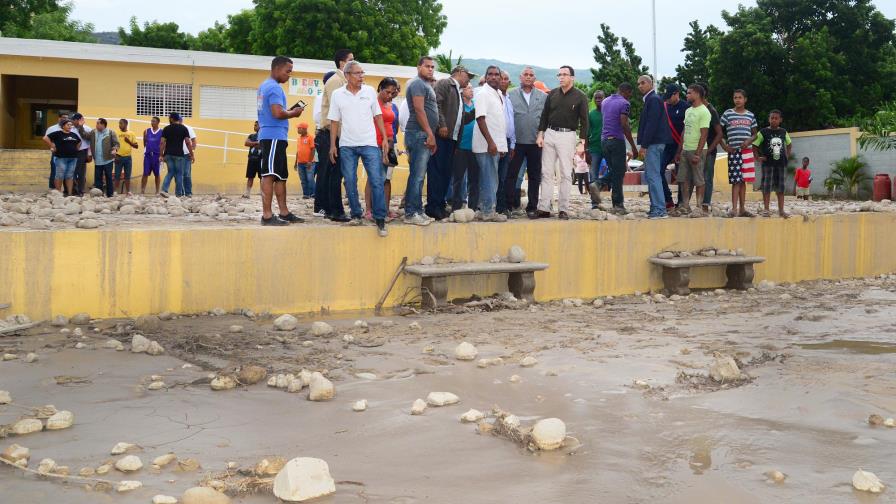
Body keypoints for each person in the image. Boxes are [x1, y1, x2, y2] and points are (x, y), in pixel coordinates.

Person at [327, 61, 390, 237]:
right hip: (347, 144)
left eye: (362, 73)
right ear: (347, 75)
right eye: (357, 73)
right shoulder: (337, 95)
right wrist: (332, 145)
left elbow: (378, 116)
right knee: (349, 180)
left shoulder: (369, 91)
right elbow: (334, 121)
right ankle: (356, 214)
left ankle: (380, 218)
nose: (361, 76)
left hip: (369, 143)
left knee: (377, 180)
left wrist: (384, 138)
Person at [534, 66, 589, 219]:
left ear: (572, 77)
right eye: (560, 74)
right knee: (546, 172)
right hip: (550, 134)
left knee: (565, 173)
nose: (561, 77)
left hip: (568, 135)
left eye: (565, 74)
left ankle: (563, 209)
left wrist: (582, 142)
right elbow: (544, 116)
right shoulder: (552, 94)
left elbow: (585, 121)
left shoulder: (580, 96)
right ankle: (544, 207)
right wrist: (540, 135)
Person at [256, 56, 305, 225]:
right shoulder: (274, 88)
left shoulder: (264, 86)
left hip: (275, 136)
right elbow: (277, 113)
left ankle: (284, 212)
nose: (289, 75)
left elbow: (275, 111)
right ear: (277, 69)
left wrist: (287, 111)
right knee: (269, 175)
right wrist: (294, 113)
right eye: (287, 71)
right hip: (272, 137)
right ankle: (267, 216)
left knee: (280, 176)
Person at [429, 65, 473, 220]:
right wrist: (442, 125)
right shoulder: (445, 83)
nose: (469, 80)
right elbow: (436, 105)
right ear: (460, 73)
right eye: (468, 75)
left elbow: (460, 118)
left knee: (445, 174)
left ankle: (439, 205)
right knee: (437, 173)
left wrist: (474, 113)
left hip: (452, 139)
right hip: (442, 136)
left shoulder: (458, 92)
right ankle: (433, 207)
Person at [315, 49, 353, 222]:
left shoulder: (344, 82)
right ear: (342, 63)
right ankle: (331, 209)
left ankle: (331, 208)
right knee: (331, 173)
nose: (354, 63)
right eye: (351, 60)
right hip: (331, 135)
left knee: (334, 173)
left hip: (338, 134)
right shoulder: (336, 81)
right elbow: (335, 112)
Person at [403, 56, 439, 226]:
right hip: (418, 133)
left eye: (432, 67)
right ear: (418, 67)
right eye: (427, 66)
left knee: (419, 175)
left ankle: (417, 210)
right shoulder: (417, 84)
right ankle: (410, 213)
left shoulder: (426, 85)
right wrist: (429, 134)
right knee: (417, 176)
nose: (430, 69)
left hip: (423, 134)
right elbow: (418, 109)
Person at [507, 66, 547, 218]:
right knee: (512, 174)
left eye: (531, 75)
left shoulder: (543, 97)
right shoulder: (511, 95)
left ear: (534, 78)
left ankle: (532, 207)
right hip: (516, 142)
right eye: (526, 74)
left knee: (535, 176)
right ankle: (509, 205)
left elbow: (545, 118)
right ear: (520, 77)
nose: (528, 77)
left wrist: (542, 136)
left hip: (535, 142)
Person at [593, 82, 637, 214]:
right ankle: (599, 184)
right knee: (620, 170)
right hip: (616, 140)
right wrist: (633, 146)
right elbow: (624, 124)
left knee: (616, 172)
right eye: (630, 93)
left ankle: (617, 204)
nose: (630, 96)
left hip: (604, 141)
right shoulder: (625, 103)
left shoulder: (605, 101)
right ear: (626, 91)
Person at [472, 66, 509, 222]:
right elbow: (480, 118)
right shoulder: (483, 94)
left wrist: (501, 146)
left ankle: (483, 209)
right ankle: (488, 211)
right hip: (485, 144)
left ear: (500, 78)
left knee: (490, 177)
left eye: (496, 75)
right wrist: (491, 143)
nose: (494, 77)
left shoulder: (498, 94)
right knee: (490, 178)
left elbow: (497, 122)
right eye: (490, 75)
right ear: (486, 77)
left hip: (495, 145)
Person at [636, 75, 672, 219]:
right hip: (654, 142)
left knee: (653, 175)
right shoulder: (651, 100)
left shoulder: (654, 100)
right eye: (638, 84)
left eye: (643, 83)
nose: (640, 86)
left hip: (654, 143)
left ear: (650, 84)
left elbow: (652, 124)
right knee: (652, 175)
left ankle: (659, 209)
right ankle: (655, 207)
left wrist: (644, 145)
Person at [673, 84, 711, 217]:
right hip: (685, 149)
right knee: (683, 179)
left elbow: (704, 134)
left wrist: (698, 154)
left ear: (697, 94)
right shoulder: (688, 111)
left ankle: (699, 206)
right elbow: (684, 130)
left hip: (697, 150)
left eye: (689, 93)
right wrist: (679, 150)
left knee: (699, 179)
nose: (687, 95)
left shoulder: (704, 111)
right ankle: (685, 205)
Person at [720, 89, 758, 217]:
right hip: (734, 151)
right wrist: (724, 146)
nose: (737, 100)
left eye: (740, 97)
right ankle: (734, 209)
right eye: (735, 97)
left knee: (744, 181)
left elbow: (755, 134)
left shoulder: (750, 115)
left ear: (745, 99)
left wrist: (748, 141)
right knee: (736, 180)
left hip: (747, 151)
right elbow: (718, 132)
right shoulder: (727, 114)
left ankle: (742, 208)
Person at [364, 78, 399, 220]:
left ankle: (383, 208)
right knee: (373, 177)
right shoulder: (373, 103)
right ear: (380, 88)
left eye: (393, 92)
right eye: (387, 92)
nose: (390, 95)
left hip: (389, 144)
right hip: (375, 143)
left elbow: (393, 124)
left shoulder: (390, 104)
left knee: (385, 178)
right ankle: (368, 209)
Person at [752, 109, 792, 218]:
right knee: (766, 186)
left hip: (781, 164)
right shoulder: (763, 132)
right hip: (768, 164)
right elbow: (754, 145)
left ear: (780, 120)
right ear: (769, 119)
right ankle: (766, 209)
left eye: (776, 118)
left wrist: (787, 155)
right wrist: (757, 157)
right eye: (772, 118)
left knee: (781, 187)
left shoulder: (783, 132)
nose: (773, 120)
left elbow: (789, 144)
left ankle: (781, 210)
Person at [451, 83, 479, 211]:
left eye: (472, 88)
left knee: (474, 179)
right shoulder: (459, 105)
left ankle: (473, 207)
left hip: (475, 147)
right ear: (462, 91)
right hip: (461, 147)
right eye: (468, 88)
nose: (471, 90)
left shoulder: (476, 104)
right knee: (458, 179)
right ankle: (456, 206)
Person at [696, 82, 723, 210]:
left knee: (707, 178)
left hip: (708, 152)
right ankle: (696, 204)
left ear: (702, 93)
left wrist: (709, 150)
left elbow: (719, 134)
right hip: (695, 150)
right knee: (696, 178)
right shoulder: (693, 109)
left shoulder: (711, 110)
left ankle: (705, 205)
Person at [661, 84, 689, 208]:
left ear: (676, 94)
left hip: (681, 145)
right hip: (667, 146)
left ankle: (681, 202)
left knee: (681, 175)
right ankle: (668, 199)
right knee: (659, 170)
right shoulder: (665, 107)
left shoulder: (686, 107)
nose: (667, 100)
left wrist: (681, 148)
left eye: (669, 96)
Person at [495, 70, 517, 217]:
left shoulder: (508, 99)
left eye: (506, 79)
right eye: (501, 78)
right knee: (494, 176)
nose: (504, 81)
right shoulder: (494, 97)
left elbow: (511, 123)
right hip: (496, 141)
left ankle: (502, 206)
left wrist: (513, 144)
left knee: (504, 176)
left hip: (508, 141)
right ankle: (494, 206)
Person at [159, 113, 194, 198]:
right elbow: (188, 142)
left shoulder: (166, 128)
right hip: (179, 155)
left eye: (169, 118)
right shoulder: (184, 129)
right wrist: (192, 154)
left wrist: (161, 155)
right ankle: (178, 194)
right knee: (179, 174)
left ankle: (164, 190)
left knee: (170, 172)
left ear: (171, 119)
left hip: (168, 154)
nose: (168, 119)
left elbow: (162, 143)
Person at [83, 118, 120, 198]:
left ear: (103, 125)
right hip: (98, 160)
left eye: (98, 123)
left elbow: (116, 144)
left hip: (108, 159)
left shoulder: (110, 132)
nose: (96, 125)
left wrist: (115, 149)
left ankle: (110, 194)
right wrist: (80, 126)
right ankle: (99, 194)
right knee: (97, 178)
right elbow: (85, 135)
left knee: (108, 177)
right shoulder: (93, 132)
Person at [42, 119, 79, 195]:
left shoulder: (74, 134)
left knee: (70, 176)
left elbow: (79, 142)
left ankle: (69, 193)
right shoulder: (57, 133)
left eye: (70, 125)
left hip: (73, 158)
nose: (70, 126)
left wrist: (76, 149)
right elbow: (45, 138)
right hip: (61, 158)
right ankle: (58, 193)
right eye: (68, 125)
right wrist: (52, 145)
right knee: (60, 175)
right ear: (63, 126)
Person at [586, 91, 605, 209]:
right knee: (593, 175)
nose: (598, 100)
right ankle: (594, 203)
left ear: (605, 98)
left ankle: (617, 201)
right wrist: (586, 150)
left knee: (614, 173)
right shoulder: (591, 114)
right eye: (596, 98)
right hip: (594, 149)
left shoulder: (609, 113)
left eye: (600, 98)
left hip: (608, 148)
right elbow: (587, 133)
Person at [44, 112, 70, 190]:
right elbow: (46, 138)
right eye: (63, 117)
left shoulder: (70, 128)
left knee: (67, 171)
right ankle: (52, 189)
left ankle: (66, 190)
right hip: (56, 153)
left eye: (67, 118)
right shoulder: (52, 129)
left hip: (68, 153)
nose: (65, 119)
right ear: (59, 118)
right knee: (54, 171)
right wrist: (52, 146)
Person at [115, 118, 138, 195]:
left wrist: (129, 142)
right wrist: (115, 156)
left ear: (126, 124)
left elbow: (136, 146)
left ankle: (128, 191)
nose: (119, 125)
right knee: (117, 175)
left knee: (127, 175)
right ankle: (115, 191)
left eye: (121, 123)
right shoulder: (116, 133)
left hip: (128, 158)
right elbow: (113, 146)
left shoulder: (131, 133)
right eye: (119, 123)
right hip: (118, 157)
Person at [71, 113, 92, 196]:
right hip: (72, 152)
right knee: (73, 172)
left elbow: (90, 142)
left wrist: (89, 154)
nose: (72, 121)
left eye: (74, 120)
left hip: (82, 152)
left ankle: (80, 191)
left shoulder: (87, 129)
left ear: (79, 120)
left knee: (81, 172)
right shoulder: (71, 129)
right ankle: (74, 190)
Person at [141, 117, 163, 195]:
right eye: (151, 121)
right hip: (148, 155)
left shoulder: (162, 132)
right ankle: (142, 190)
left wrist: (162, 155)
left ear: (158, 122)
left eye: (154, 121)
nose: (152, 122)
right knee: (145, 173)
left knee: (157, 174)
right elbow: (144, 143)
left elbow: (163, 144)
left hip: (157, 155)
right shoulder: (146, 131)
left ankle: (157, 191)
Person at [294, 123, 315, 199]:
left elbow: (313, 149)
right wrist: (295, 163)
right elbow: (298, 151)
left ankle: (313, 194)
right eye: (298, 128)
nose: (298, 130)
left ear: (305, 129)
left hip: (309, 163)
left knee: (310, 179)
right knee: (303, 180)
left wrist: (310, 161)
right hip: (300, 163)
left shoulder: (310, 137)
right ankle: (306, 194)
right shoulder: (299, 139)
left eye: (299, 128)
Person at [243, 120, 263, 198]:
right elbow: (246, 143)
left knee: (262, 177)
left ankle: (262, 192)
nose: (254, 126)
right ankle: (247, 193)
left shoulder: (265, 136)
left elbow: (263, 145)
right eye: (254, 125)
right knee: (250, 176)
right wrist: (256, 143)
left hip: (261, 159)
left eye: (256, 125)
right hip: (252, 159)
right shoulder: (251, 136)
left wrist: (254, 143)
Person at [180, 119, 197, 197]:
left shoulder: (189, 128)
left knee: (187, 174)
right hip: (177, 154)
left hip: (187, 154)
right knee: (179, 174)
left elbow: (193, 141)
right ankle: (180, 192)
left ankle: (188, 192)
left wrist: (192, 151)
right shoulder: (172, 128)